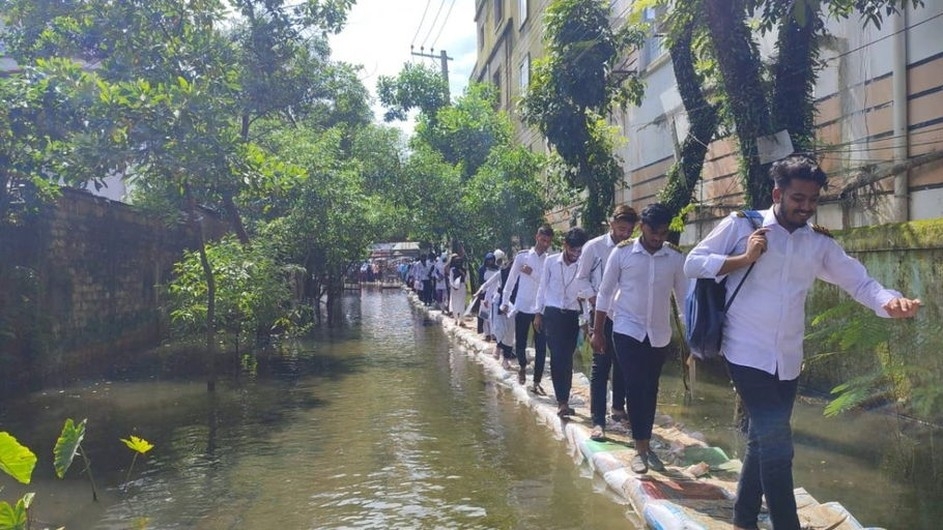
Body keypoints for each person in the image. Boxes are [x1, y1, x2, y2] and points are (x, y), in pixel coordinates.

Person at [683, 154, 922, 530]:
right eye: (798, 198)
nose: (806, 207)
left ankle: (743, 519)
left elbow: (858, 282)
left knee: (764, 441)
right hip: (745, 351)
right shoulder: (742, 224)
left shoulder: (817, 245)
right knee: (779, 446)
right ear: (778, 193)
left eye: (813, 200)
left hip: (788, 358)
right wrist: (743, 258)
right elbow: (693, 263)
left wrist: (889, 302)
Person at [592, 203, 688, 475]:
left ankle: (645, 444)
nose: (658, 237)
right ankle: (640, 448)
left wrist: (692, 340)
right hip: (626, 330)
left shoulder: (674, 258)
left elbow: (683, 300)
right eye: (654, 231)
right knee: (635, 386)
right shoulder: (622, 254)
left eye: (663, 233)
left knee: (651, 388)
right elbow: (605, 293)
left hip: (658, 334)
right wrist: (597, 331)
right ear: (642, 227)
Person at [576, 204, 639, 440]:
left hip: (627, 314)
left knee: (625, 365)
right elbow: (580, 279)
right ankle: (598, 421)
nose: (625, 234)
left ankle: (619, 409)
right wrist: (595, 299)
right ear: (611, 224)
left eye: (629, 230)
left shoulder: (634, 248)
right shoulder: (594, 247)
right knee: (601, 366)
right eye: (621, 228)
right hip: (601, 313)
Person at [534, 227, 589, 418]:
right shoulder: (550, 262)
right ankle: (562, 402)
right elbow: (542, 289)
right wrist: (538, 314)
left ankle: (564, 397)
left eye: (579, 251)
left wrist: (586, 320)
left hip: (572, 316)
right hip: (552, 314)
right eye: (573, 250)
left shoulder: (583, 264)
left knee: (568, 358)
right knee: (557, 357)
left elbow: (586, 293)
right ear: (565, 245)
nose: (576, 254)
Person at [502, 225, 553, 390]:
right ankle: (522, 366)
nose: (545, 244)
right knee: (521, 342)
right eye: (543, 239)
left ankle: (537, 381)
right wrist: (504, 301)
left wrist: (533, 273)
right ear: (537, 237)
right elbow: (511, 280)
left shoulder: (550, 260)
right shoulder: (523, 257)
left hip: (540, 309)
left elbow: (549, 284)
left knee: (541, 346)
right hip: (523, 306)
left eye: (548, 241)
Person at [477, 252, 499, 340]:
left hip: (495, 294)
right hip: (484, 293)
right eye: (489, 260)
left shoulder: (497, 269)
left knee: (493, 314)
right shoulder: (482, 269)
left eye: (492, 260)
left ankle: (494, 333)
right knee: (484, 314)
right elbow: (481, 282)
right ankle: (487, 333)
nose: (490, 262)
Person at [447, 254, 468, 327]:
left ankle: (461, 320)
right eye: (457, 262)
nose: (458, 263)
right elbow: (451, 280)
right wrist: (454, 286)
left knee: (462, 303)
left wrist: (463, 275)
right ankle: (456, 319)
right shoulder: (452, 270)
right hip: (454, 288)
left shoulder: (464, 270)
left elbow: (466, 280)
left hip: (462, 287)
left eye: (460, 262)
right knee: (454, 303)